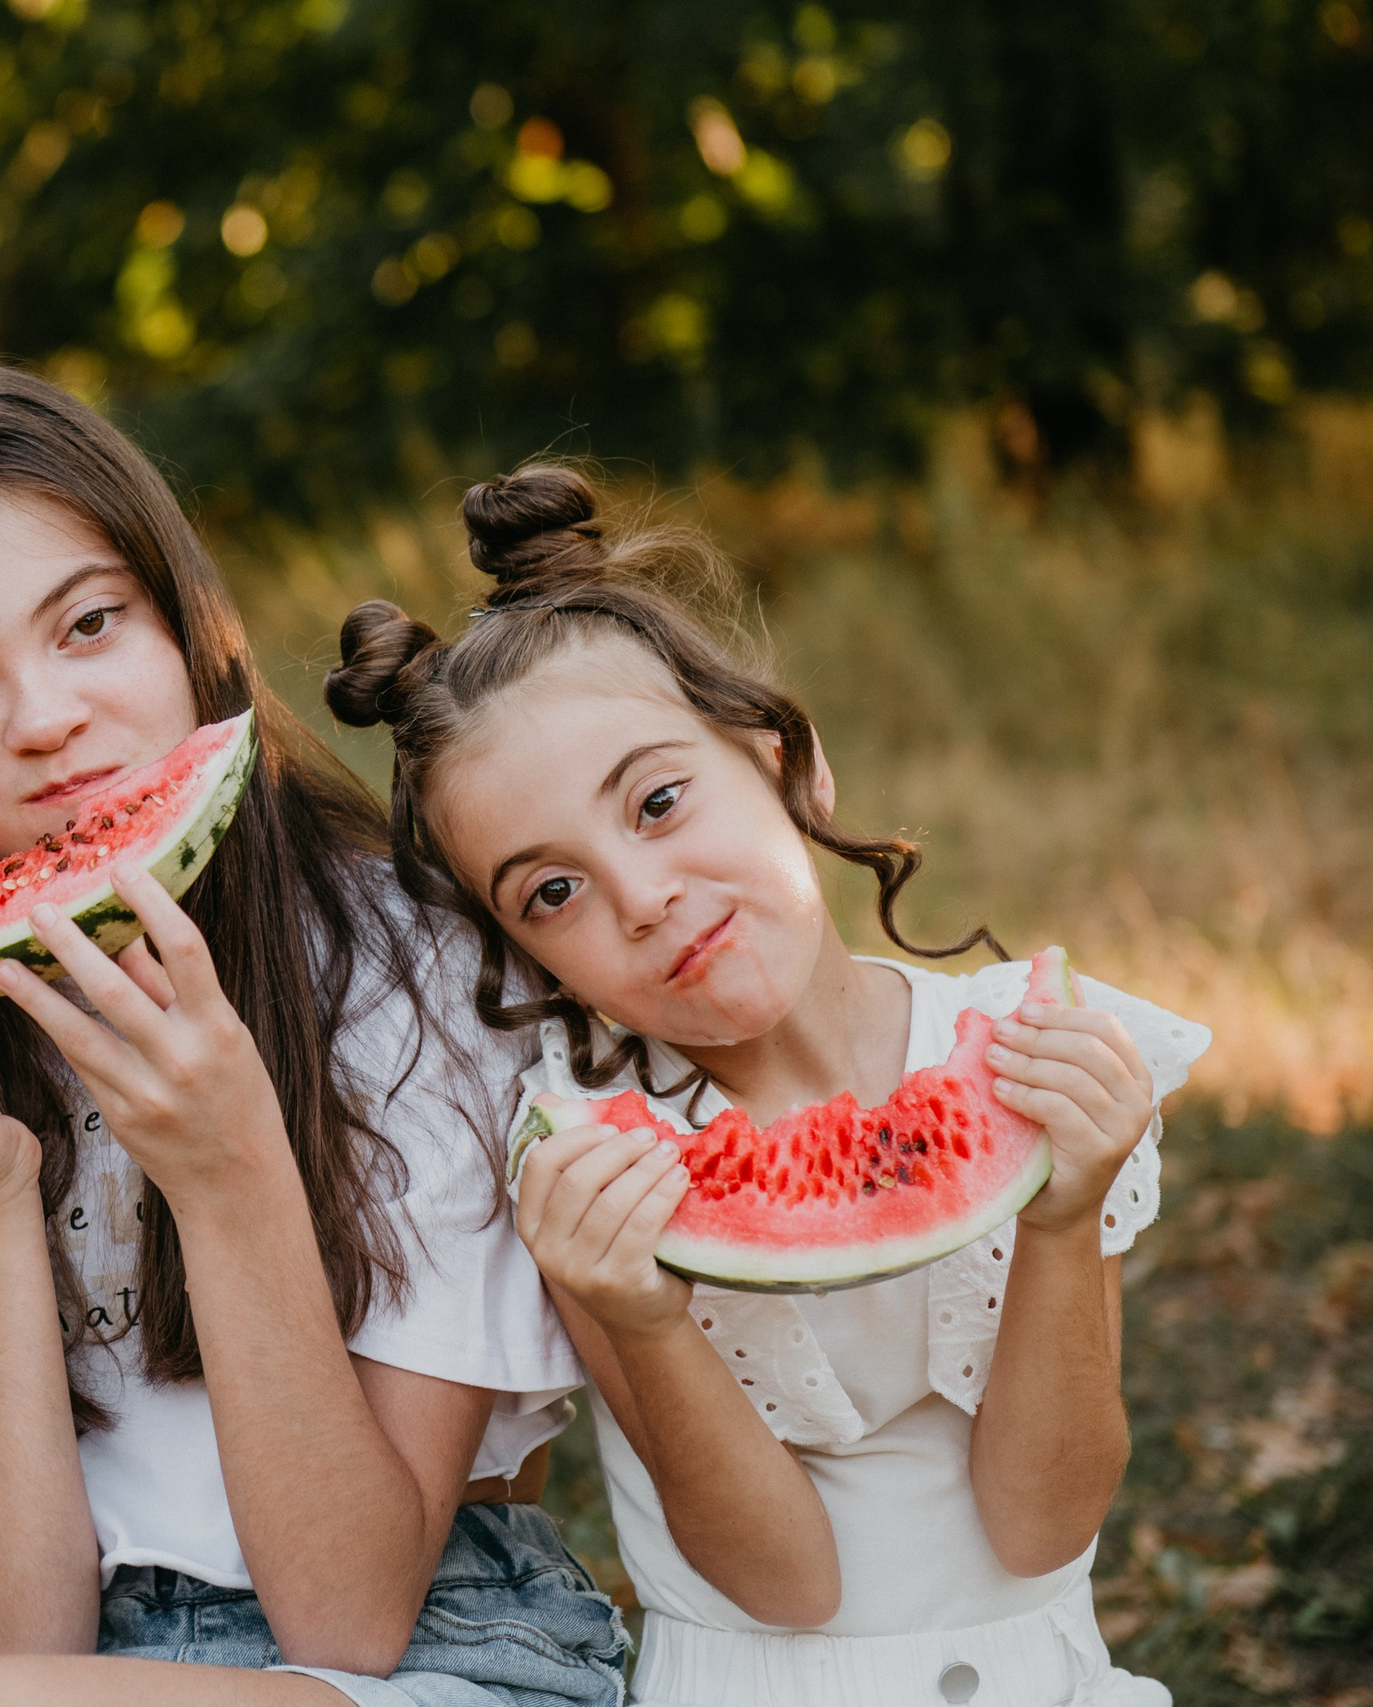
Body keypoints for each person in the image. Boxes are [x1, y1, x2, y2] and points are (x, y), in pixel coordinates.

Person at [0, 364, 627, 1707]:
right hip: (83, 1671)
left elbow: (350, 1613)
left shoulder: (404, 963)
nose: (46, 719)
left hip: (440, 1654)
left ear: (186, 622)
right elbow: (17, 1630)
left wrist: (230, 1166)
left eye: (88, 625)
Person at [324, 464, 1211, 1707]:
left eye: (659, 801)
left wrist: (1060, 1221)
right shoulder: (589, 1166)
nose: (643, 898)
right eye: (552, 892)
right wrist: (637, 1316)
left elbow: (1042, 1528)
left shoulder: (1031, 1057)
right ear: (538, 966)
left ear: (786, 760)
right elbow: (783, 1583)